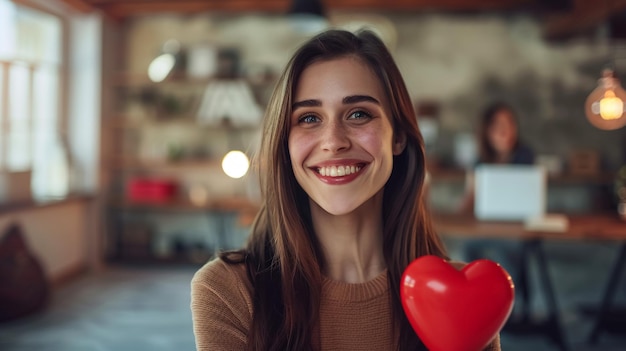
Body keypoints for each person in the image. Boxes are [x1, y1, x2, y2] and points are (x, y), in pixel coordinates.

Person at [191, 29, 501, 351]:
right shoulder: (228, 290)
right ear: (285, 143)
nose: (334, 141)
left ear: (398, 138)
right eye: (309, 118)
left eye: (358, 114)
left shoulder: (466, 296)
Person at [457, 102, 534, 320]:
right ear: (487, 132)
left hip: (517, 229)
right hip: (486, 227)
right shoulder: (480, 161)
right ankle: (477, 305)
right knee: (469, 247)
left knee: (507, 251)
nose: (505, 130)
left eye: (509, 124)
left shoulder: (525, 156)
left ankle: (507, 311)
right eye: (498, 125)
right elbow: (469, 199)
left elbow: (529, 198)